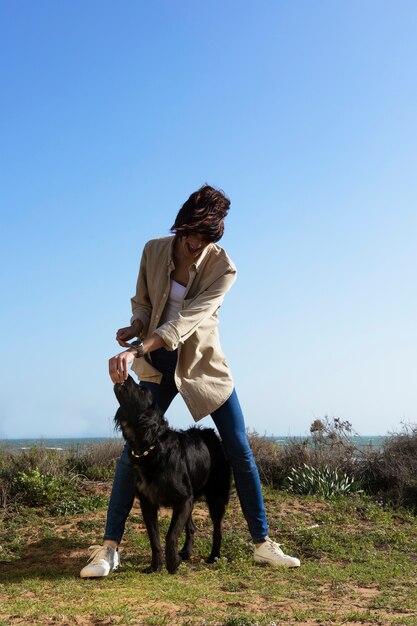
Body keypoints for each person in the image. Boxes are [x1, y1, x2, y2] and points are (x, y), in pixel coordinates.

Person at [80, 185, 300, 577]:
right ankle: (109, 548)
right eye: (189, 236)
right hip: (156, 362)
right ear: (179, 227)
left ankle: (262, 543)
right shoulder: (152, 250)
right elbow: (144, 303)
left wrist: (138, 348)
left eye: (203, 239)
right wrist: (134, 328)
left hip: (202, 366)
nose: (194, 245)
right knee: (131, 453)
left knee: (238, 449)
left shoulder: (224, 268)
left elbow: (187, 320)